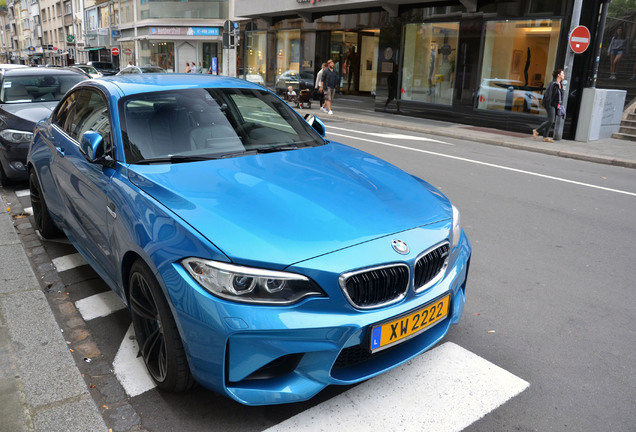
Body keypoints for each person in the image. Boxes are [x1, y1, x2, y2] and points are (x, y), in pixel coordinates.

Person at [532, 68, 564, 143]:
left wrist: (559, 104)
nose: (564, 75)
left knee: (550, 120)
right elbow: (548, 96)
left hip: (555, 105)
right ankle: (536, 130)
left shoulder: (560, 85)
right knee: (551, 120)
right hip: (550, 104)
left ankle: (545, 137)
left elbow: (559, 96)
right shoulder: (553, 84)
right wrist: (548, 104)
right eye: (562, 73)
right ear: (558, 75)